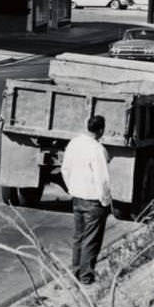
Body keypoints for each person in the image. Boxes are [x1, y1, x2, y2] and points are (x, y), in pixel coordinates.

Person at [61, 114, 112, 285]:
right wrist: (105, 201)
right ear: (101, 130)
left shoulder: (74, 143)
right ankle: (86, 276)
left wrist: (72, 188)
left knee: (79, 237)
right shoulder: (97, 149)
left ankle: (75, 272)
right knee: (91, 240)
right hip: (93, 200)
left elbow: (65, 169)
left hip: (77, 197)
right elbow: (102, 178)